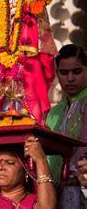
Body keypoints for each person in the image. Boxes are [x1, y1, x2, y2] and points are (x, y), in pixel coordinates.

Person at [46, 44, 87, 207]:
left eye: (77, 72)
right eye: (64, 72)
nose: (70, 78)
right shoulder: (53, 112)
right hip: (54, 193)